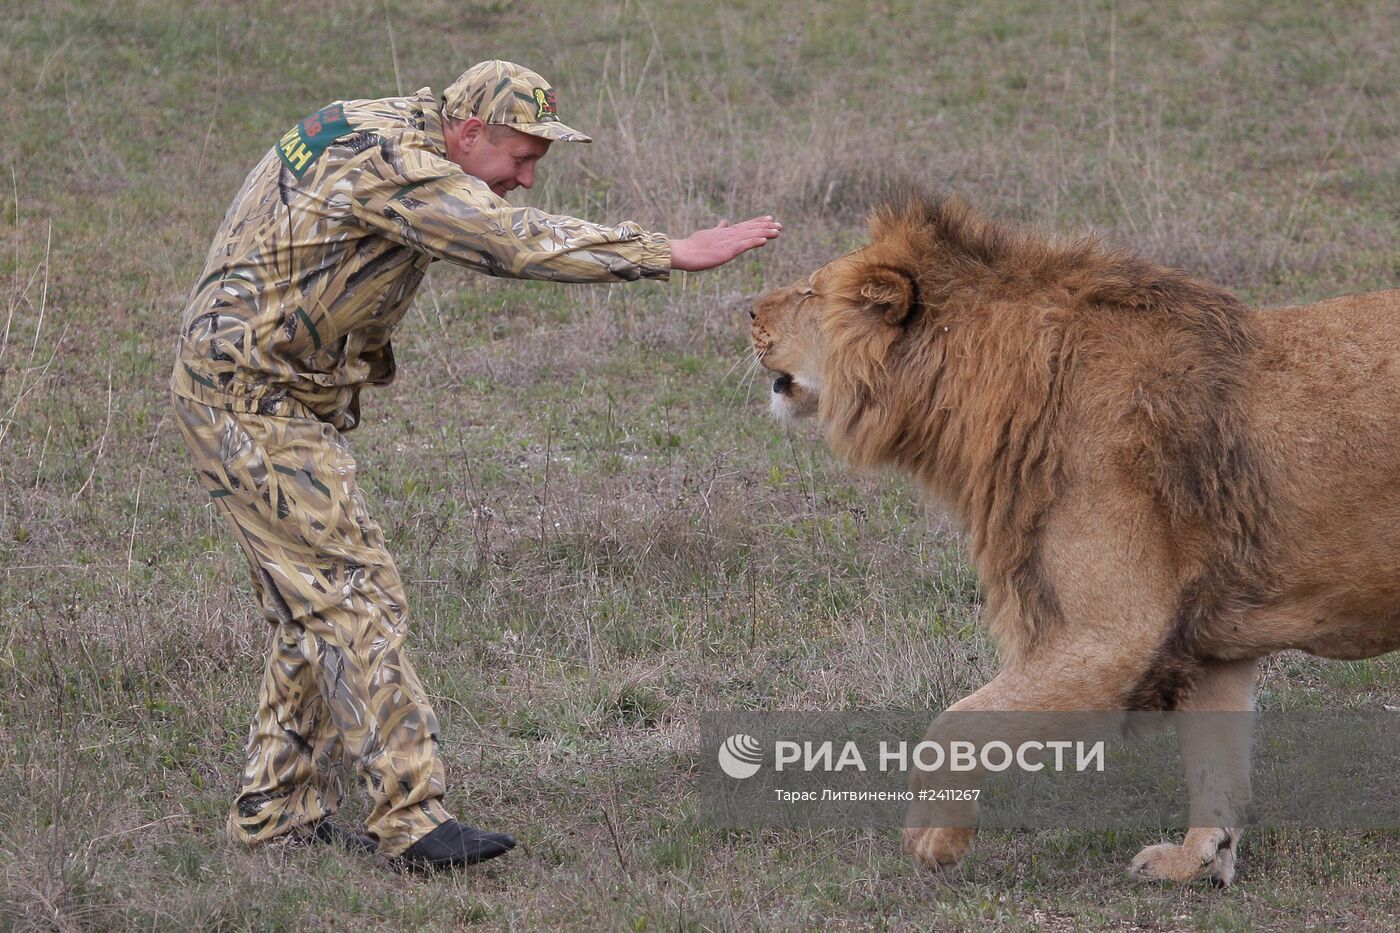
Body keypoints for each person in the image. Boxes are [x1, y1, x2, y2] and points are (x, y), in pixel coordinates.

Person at [170, 60, 781, 871]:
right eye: (519, 159)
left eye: (537, 163)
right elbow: (509, 242)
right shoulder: (399, 171)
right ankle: (411, 817)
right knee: (357, 595)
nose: (526, 179)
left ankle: (277, 809)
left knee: (314, 607)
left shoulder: (373, 118)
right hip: (251, 402)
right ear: (466, 133)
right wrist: (666, 251)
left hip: (264, 390)